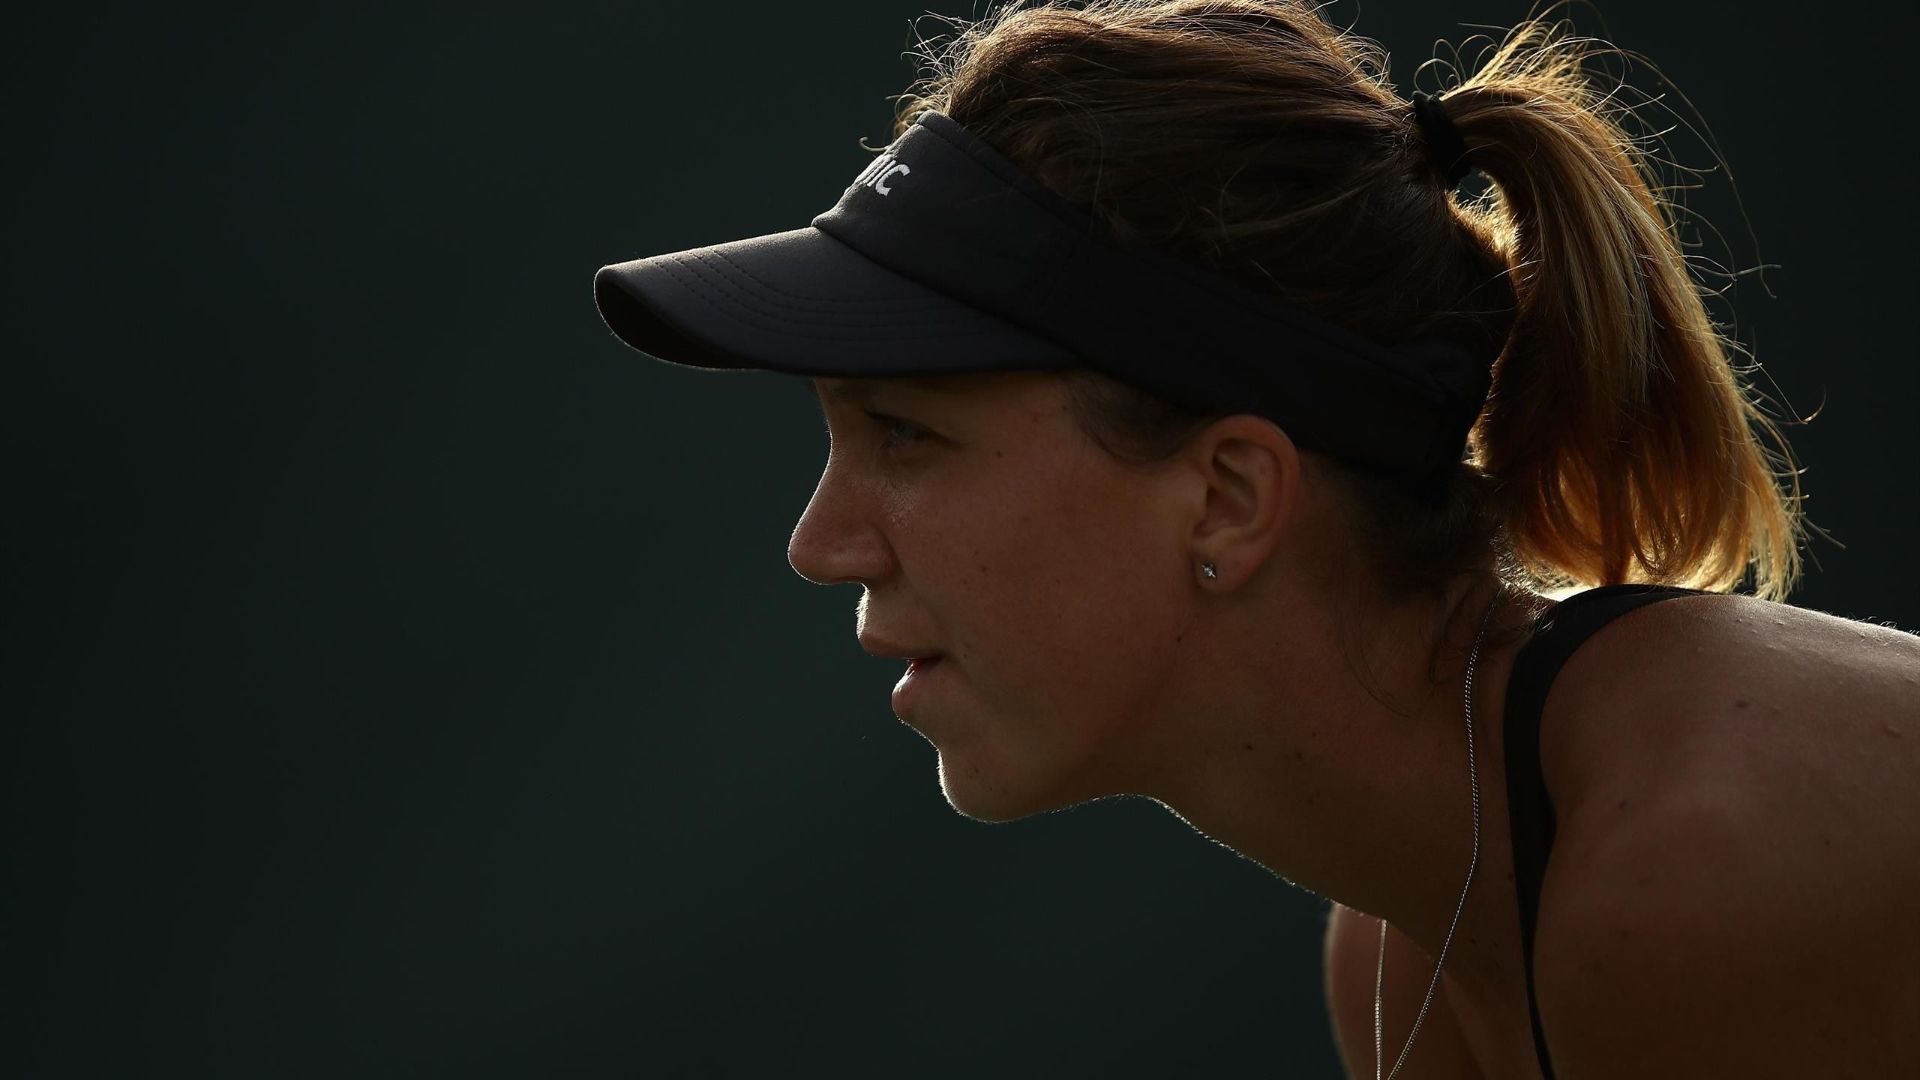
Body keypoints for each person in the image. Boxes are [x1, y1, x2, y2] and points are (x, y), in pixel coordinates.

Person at [591, 1, 1920, 1074]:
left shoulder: (1688, 883)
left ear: (1230, 495)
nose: (822, 543)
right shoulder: (1405, 959)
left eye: (906, 433)